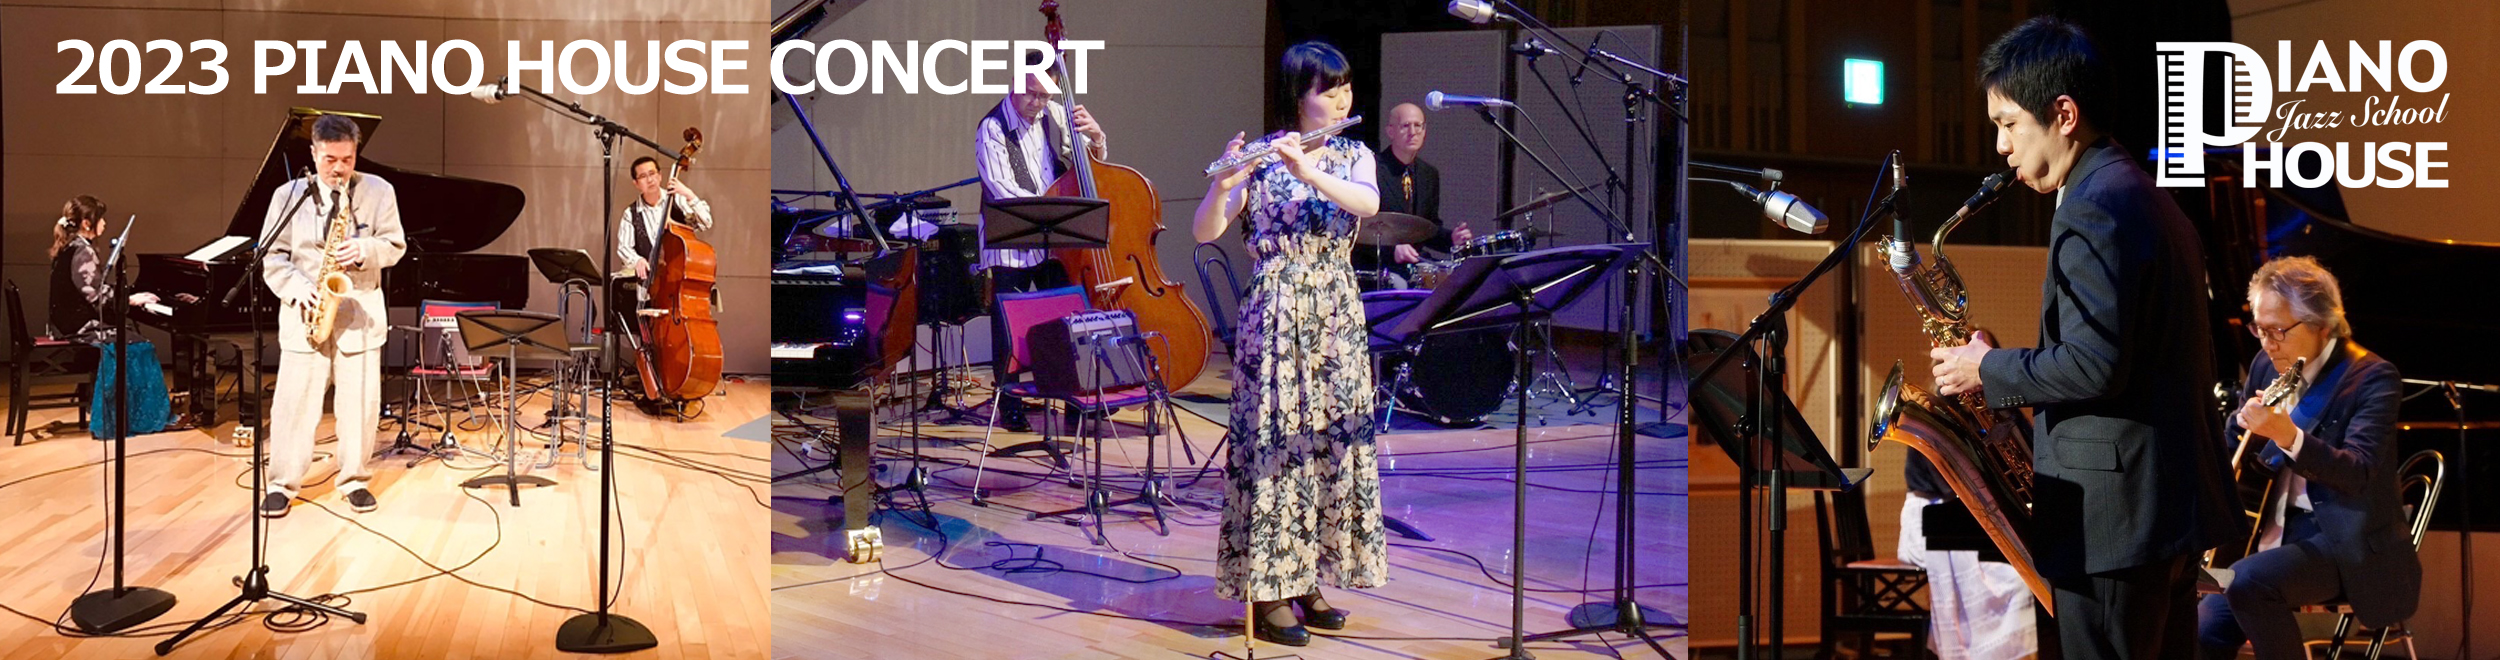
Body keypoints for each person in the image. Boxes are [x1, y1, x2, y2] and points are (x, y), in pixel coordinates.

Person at [1927, 16, 2235, 659]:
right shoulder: (2144, 194)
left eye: (2009, 124)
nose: (2002, 146)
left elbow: (2095, 364)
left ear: (2063, 114)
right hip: (2162, 511)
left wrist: (1987, 368)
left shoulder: (2092, 205)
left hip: (2114, 522)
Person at [1192, 41, 1384, 648]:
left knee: (1326, 446)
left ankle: (1307, 580)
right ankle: (1269, 588)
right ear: (1298, 97)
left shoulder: (1354, 155)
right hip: (1276, 314)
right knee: (1276, 448)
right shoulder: (1263, 159)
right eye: (1329, 90)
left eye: (1346, 88)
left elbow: (1368, 203)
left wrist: (1310, 173)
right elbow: (1206, 230)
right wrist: (1224, 183)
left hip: (1335, 315)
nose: (1342, 99)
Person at [2195, 256, 2419, 660]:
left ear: (2322, 324)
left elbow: (2358, 472)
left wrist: (2287, 434)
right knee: (2200, 629)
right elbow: (2235, 447)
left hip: (2344, 543)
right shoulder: (2266, 364)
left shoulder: (2372, 378)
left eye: (2278, 331)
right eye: (2259, 329)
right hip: (2268, 535)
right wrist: (2237, 427)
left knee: (2248, 582)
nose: (2267, 344)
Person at [261, 114, 406, 517]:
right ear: (313, 153)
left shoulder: (379, 191)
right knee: (293, 406)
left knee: (360, 406)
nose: (339, 168)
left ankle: (354, 479)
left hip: (358, 315)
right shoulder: (288, 195)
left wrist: (365, 250)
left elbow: (395, 245)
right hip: (305, 312)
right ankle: (281, 484)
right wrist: (297, 288)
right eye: (330, 159)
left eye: (347, 159)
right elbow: (272, 256)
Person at [974, 47, 1107, 432]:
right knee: (1008, 327)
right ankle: (1010, 405)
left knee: (1067, 317)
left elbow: (1089, 167)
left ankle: (1074, 400)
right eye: (1031, 94)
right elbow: (1002, 189)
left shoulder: (1055, 114)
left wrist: (1097, 139)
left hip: (1053, 242)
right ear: (1014, 83)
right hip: (1011, 240)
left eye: (1045, 95)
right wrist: (1053, 209)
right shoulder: (992, 127)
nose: (1038, 103)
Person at [47, 195, 172, 439]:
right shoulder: (83, 250)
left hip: (68, 322)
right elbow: (95, 295)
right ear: (87, 223)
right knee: (139, 346)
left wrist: (126, 297)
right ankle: (140, 418)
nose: (104, 223)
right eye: (100, 219)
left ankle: (125, 412)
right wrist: (131, 300)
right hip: (80, 326)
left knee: (131, 338)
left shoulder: (70, 246)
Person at [1897, 453, 2038, 659]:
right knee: (2016, 580)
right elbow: (1950, 485)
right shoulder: (1927, 445)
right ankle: (1980, 652)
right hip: (1930, 520)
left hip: (1948, 518)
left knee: (2017, 577)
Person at [1353, 102, 1468, 285]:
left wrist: (1452, 239)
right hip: (1376, 268)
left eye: (1418, 125)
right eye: (1405, 125)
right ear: (1390, 131)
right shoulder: (1370, 169)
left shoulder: (1429, 174)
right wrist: (1392, 250)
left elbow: (1427, 228)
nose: (1413, 132)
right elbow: (1357, 228)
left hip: (1414, 266)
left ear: (1424, 131)